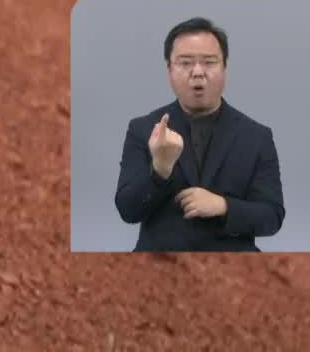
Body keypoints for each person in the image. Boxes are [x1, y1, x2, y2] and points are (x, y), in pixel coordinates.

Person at [113, 17, 285, 251]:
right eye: (185, 63)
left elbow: (272, 217)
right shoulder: (142, 129)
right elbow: (128, 211)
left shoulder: (257, 136)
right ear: (169, 70)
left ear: (225, 68)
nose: (197, 73)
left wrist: (224, 206)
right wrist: (160, 171)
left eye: (209, 62)